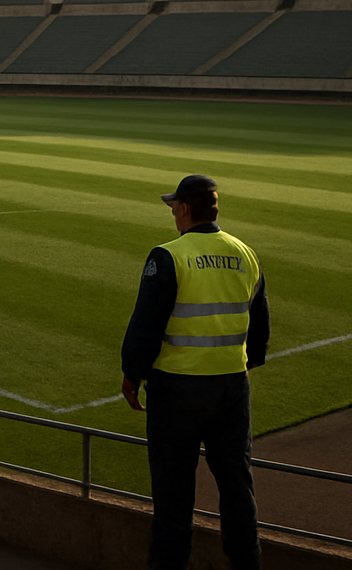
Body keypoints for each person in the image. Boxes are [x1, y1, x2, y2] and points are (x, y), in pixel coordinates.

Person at [122, 175, 270, 570]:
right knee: (238, 490)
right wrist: (237, 366)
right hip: (232, 390)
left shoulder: (168, 256)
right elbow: (260, 331)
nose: (173, 214)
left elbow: (146, 324)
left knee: (173, 498)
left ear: (186, 209)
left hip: (176, 392)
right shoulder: (245, 254)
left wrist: (132, 374)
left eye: (174, 207)